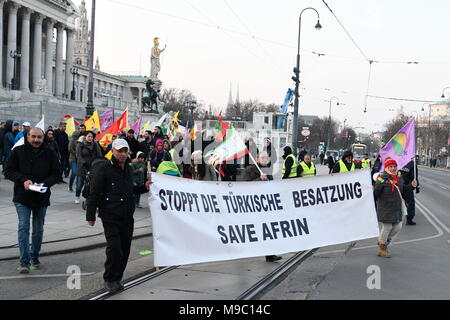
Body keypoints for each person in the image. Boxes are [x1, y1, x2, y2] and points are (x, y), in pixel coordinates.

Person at [86, 139, 151, 293]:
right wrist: (91, 215)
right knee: (114, 249)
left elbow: (131, 190)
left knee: (125, 249)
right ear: (113, 151)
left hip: (127, 215)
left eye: (125, 151)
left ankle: (117, 277)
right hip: (110, 215)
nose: (122, 154)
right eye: (119, 151)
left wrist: (144, 187)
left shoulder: (128, 169)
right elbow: (94, 193)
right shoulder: (104, 169)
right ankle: (109, 278)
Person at [4, 128, 60, 273]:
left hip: (41, 197)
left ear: (43, 138)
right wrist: (23, 179)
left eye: (39, 137)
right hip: (22, 197)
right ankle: (24, 261)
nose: (36, 140)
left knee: (38, 229)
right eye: (33, 137)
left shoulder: (50, 152)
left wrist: (45, 183)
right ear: (27, 137)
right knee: (24, 227)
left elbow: (56, 174)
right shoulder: (18, 151)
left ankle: (35, 257)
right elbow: (8, 170)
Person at [243, 151, 282, 262]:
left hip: (265, 206)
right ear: (257, 159)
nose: (265, 160)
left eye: (267, 158)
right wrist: (259, 179)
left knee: (267, 230)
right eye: (263, 158)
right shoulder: (250, 169)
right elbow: (243, 185)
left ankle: (269, 255)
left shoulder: (268, 170)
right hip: (252, 206)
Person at [374, 158, 417, 258]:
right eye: (391, 167)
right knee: (387, 227)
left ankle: (382, 242)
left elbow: (404, 189)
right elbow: (376, 193)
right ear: (386, 167)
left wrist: (411, 186)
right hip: (386, 208)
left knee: (398, 226)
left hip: (396, 207)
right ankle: (382, 248)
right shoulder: (381, 179)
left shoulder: (398, 177)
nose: (393, 168)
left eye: (394, 166)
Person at [75, 131, 103, 204]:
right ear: (85, 137)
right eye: (89, 136)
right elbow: (78, 156)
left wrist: (99, 162)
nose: (90, 138)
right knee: (79, 185)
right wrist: (84, 163)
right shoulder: (80, 145)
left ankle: (88, 198)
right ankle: (77, 195)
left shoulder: (95, 145)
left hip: (93, 167)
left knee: (91, 185)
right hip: (82, 167)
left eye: (91, 137)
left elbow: (99, 154)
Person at [400, 158, 420, 225]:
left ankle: (392, 218)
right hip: (407, 187)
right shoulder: (412, 163)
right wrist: (417, 186)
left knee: (394, 201)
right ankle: (409, 219)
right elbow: (414, 177)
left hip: (396, 185)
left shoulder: (396, 160)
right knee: (410, 203)